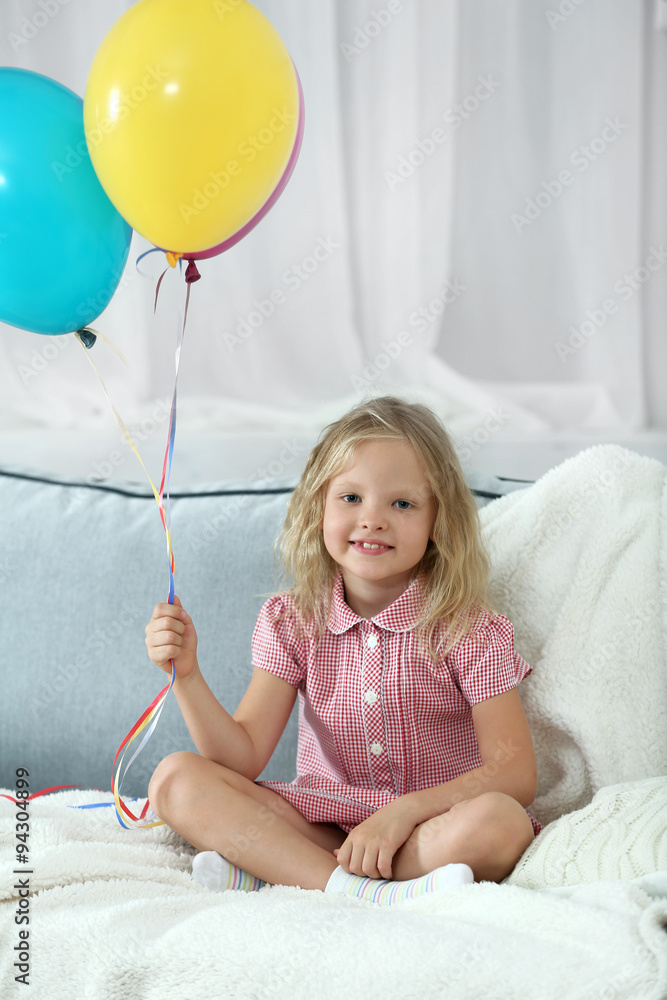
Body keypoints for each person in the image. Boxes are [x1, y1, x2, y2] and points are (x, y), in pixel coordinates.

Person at [145, 395, 540, 905]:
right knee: (174, 779)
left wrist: (404, 811)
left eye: (402, 504)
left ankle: (281, 874)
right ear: (319, 508)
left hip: (425, 830)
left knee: (501, 823)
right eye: (351, 497)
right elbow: (240, 760)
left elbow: (514, 774)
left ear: (438, 522)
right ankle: (363, 891)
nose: (372, 519)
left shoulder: (470, 630)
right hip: (319, 827)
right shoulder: (291, 620)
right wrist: (188, 676)